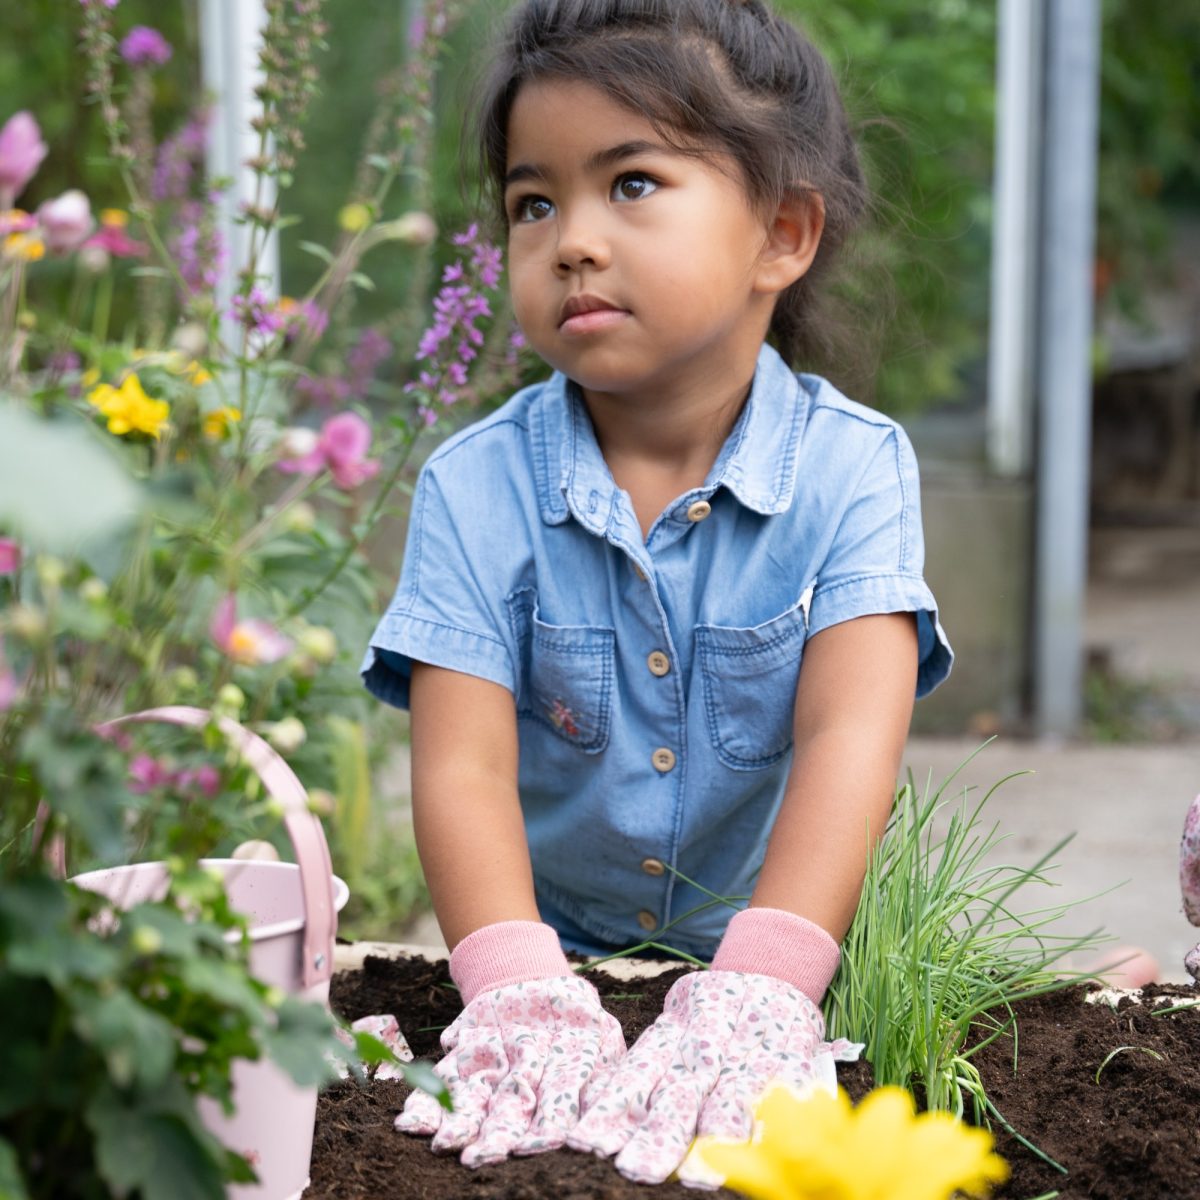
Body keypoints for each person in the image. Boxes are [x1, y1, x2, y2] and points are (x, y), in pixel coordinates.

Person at [362, 0, 953, 1185]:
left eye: (630, 184)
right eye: (534, 202)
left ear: (781, 234)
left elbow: (851, 741)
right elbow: (462, 767)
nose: (572, 239)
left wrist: (761, 992)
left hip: (796, 978)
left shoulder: (854, 469)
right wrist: (520, 992)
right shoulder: (473, 488)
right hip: (555, 970)